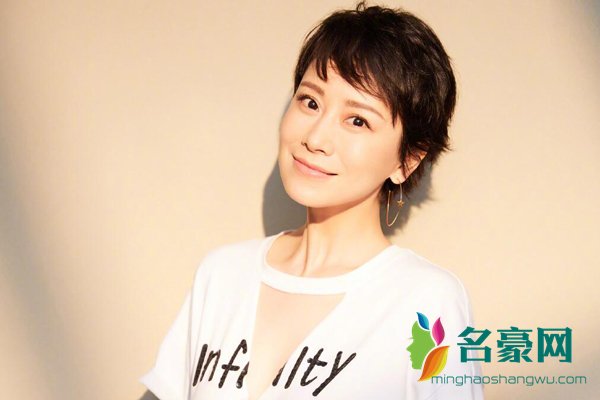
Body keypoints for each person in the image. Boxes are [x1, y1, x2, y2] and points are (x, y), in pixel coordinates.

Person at [141, 2, 484, 399]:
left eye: (358, 120)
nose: (315, 138)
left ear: (407, 160)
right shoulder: (222, 275)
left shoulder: (424, 302)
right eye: (310, 102)